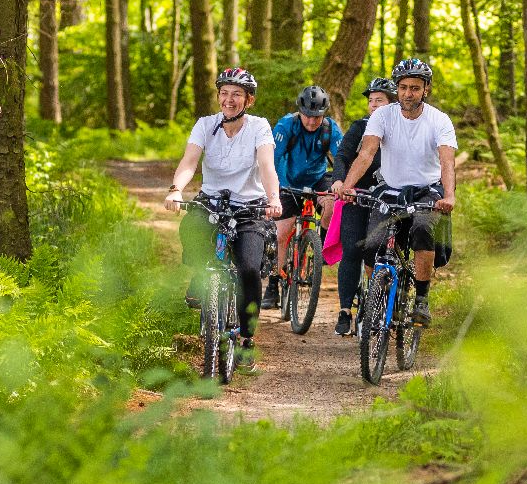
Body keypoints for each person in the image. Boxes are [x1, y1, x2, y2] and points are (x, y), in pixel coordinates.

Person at [164, 67, 283, 355]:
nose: (229, 99)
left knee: (249, 270)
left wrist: (273, 198)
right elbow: (190, 161)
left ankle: (247, 337)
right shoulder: (206, 125)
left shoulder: (259, 127)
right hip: (212, 202)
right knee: (191, 227)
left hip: (250, 208)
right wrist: (175, 189)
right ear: (218, 96)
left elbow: (267, 166)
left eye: (237, 94)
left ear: (248, 100)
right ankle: (199, 275)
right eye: (225, 93)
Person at [330, 57, 456, 326]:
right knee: (372, 246)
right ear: (397, 89)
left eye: (414, 88)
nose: (408, 93)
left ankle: (421, 299)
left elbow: (447, 161)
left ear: (426, 89)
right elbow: (366, 154)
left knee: (423, 230)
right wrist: (348, 185)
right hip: (390, 190)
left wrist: (448, 195)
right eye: (403, 88)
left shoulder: (439, 120)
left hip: (426, 190)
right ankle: (384, 297)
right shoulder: (382, 116)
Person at [266, 84, 342, 303]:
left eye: (316, 117)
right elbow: (272, 159)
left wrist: (339, 182)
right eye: (307, 116)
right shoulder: (285, 126)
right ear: (300, 111)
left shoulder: (330, 129)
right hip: (288, 181)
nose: (311, 121)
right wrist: (273, 190)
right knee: (281, 234)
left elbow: (342, 159)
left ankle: (320, 248)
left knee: (331, 204)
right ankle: (273, 284)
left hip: (318, 178)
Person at [331, 77, 395, 336]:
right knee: (352, 250)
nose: (373, 105)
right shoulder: (360, 127)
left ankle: (380, 302)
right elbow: (343, 156)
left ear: (392, 104)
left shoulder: (400, 129)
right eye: (370, 101)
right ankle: (345, 311)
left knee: (382, 252)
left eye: (379, 100)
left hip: (388, 198)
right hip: (356, 195)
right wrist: (339, 181)